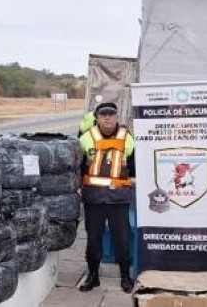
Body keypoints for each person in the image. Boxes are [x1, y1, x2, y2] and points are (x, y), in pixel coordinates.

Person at [78, 102, 136, 293]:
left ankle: (125, 276)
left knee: (122, 240)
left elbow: (134, 169)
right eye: (103, 115)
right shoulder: (85, 139)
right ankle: (93, 276)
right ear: (97, 118)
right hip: (94, 199)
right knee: (93, 239)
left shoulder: (128, 139)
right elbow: (78, 168)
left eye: (111, 114)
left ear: (117, 117)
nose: (108, 118)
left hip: (119, 199)